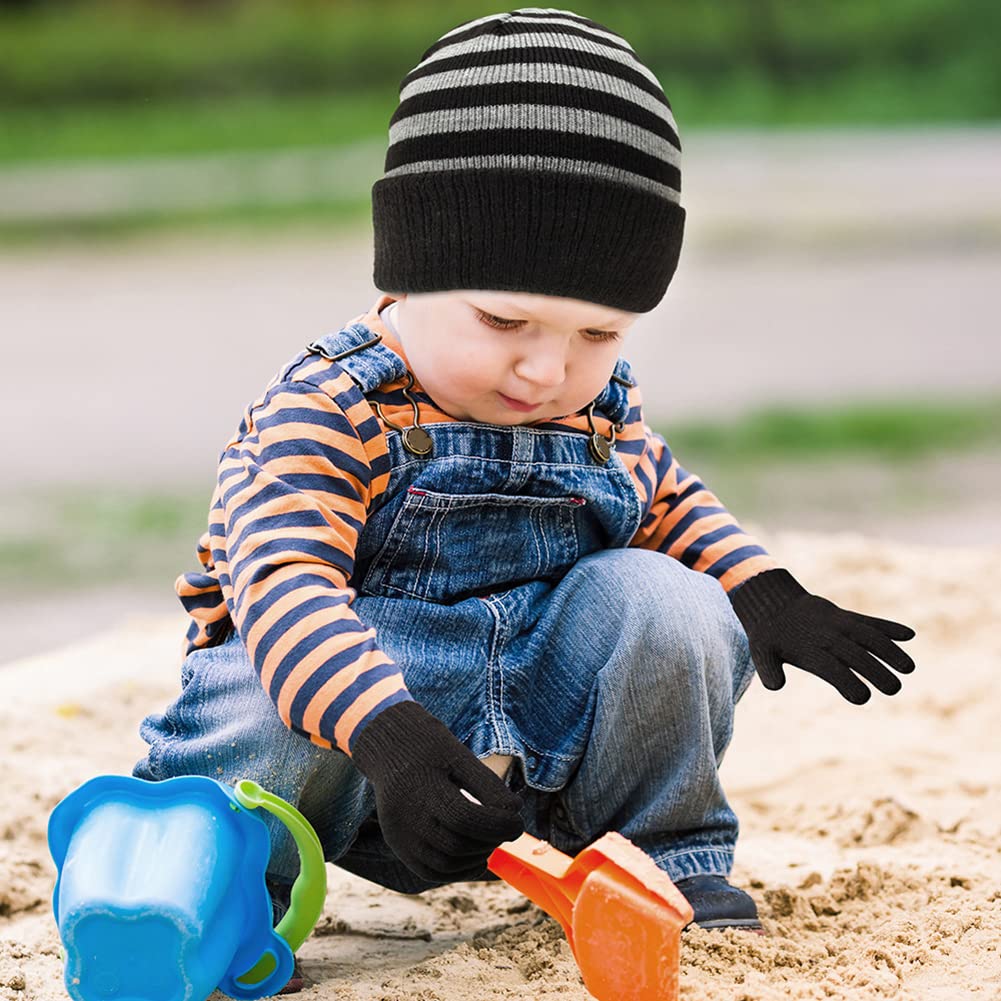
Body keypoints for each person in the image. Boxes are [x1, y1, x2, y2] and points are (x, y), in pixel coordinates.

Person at [134, 6, 916, 989]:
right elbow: (284, 580)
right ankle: (208, 878)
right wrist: (388, 732)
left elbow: (666, 500)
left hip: (518, 741)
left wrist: (763, 590)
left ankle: (651, 860)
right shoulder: (331, 407)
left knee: (669, 598)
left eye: (600, 335)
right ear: (404, 272)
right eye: (505, 319)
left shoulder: (597, 415)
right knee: (261, 677)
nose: (546, 368)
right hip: (349, 735)